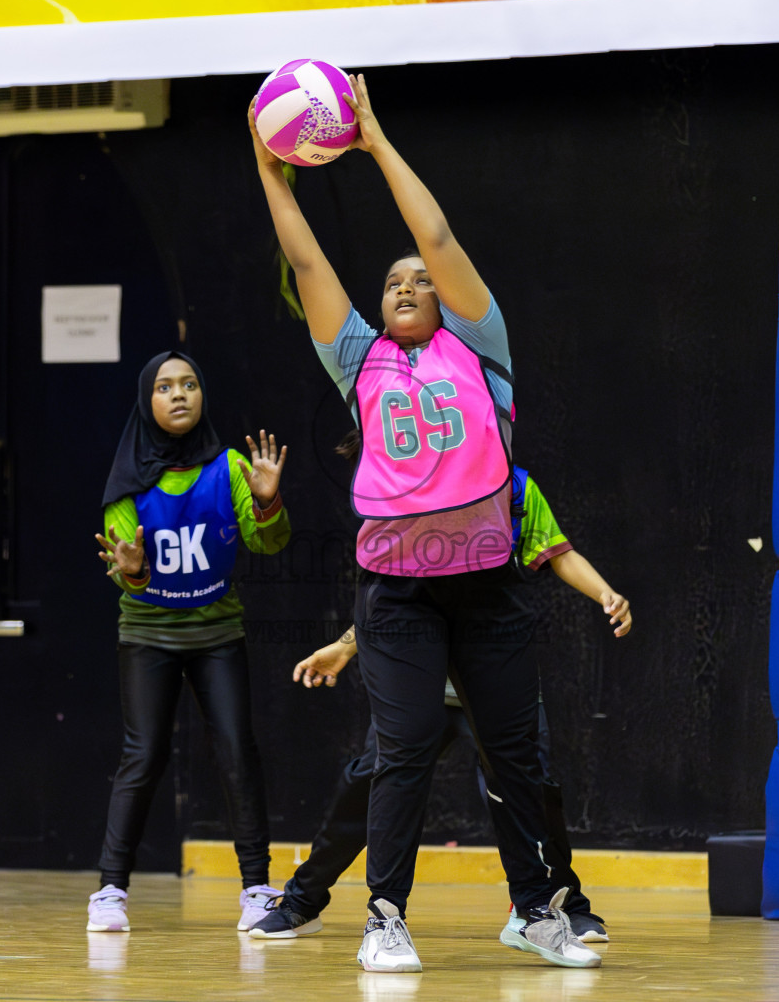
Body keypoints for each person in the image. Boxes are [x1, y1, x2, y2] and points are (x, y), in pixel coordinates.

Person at [251, 79, 595, 970]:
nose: (407, 283)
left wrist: (372, 140)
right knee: (399, 751)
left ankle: (536, 909)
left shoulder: (483, 352)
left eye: (419, 282)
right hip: (399, 596)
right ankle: (384, 917)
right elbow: (310, 269)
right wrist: (276, 181)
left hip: (485, 589)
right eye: (392, 281)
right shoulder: (359, 359)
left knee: (516, 758)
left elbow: (436, 237)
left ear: (443, 300)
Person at [247, 462, 629, 949]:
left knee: (533, 787)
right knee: (369, 785)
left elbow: (558, 551)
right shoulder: (411, 485)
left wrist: (606, 594)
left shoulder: (512, 487)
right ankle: (303, 901)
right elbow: (401, 590)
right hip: (422, 684)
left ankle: (558, 905)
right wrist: (346, 645)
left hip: (498, 678)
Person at [88, 350, 290, 934]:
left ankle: (256, 888)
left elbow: (269, 543)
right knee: (143, 754)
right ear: (147, 402)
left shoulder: (229, 467)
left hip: (217, 632)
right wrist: (133, 572)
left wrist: (268, 500)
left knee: (236, 749)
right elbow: (129, 573)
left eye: (190, 384)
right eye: (165, 387)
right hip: (149, 633)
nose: (179, 395)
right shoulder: (129, 479)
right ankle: (109, 892)